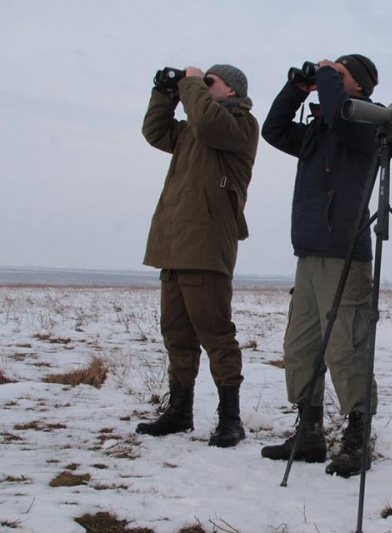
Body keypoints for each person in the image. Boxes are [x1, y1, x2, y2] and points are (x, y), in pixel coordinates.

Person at [260, 54, 379, 478]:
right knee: (301, 346)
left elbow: (341, 116)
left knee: (344, 346)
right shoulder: (319, 131)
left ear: (360, 86)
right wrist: (297, 88)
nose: (330, 80)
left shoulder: (366, 123)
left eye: (341, 76)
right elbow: (272, 130)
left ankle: (357, 437)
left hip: (344, 253)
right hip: (308, 251)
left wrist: (327, 75)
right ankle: (309, 433)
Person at [135, 64, 259, 449]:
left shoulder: (240, 126)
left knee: (216, 334)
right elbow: (154, 132)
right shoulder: (192, 131)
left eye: (210, 83)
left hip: (206, 246)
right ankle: (180, 412)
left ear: (233, 92)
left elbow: (207, 122)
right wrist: (165, 93)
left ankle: (230, 419)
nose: (202, 88)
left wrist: (190, 82)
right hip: (174, 244)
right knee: (177, 333)